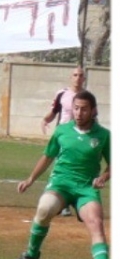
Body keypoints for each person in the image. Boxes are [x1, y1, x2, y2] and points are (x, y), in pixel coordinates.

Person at [12, 90, 111, 259]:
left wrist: (103, 177)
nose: (79, 113)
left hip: (86, 188)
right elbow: (48, 156)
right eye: (76, 108)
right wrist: (30, 179)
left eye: (84, 109)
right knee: (44, 209)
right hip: (60, 184)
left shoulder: (104, 135)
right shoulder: (62, 131)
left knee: (96, 222)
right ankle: (31, 254)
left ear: (93, 111)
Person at [41, 66, 87, 217]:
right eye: (75, 75)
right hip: (63, 136)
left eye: (80, 75)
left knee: (78, 168)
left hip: (80, 137)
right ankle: (62, 202)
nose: (77, 78)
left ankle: (78, 202)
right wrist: (45, 120)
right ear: (70, 77)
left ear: (84, 78)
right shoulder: (62, 93)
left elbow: (93, 117)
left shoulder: (87, 97)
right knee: (61, 166)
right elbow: (54, 111)